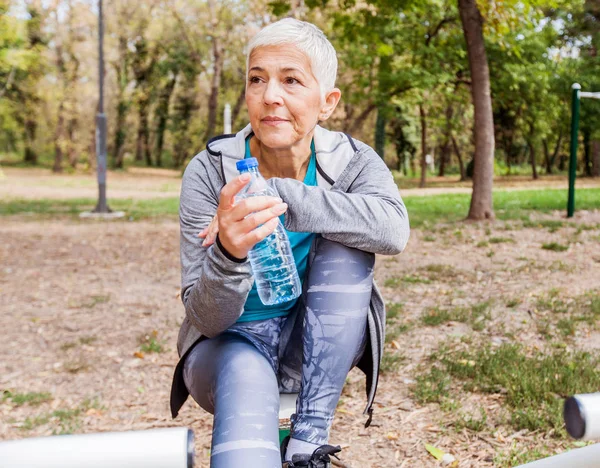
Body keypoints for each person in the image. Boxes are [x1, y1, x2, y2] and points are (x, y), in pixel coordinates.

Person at [169, 18, 410, 468]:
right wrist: (228, 252)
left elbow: (393, 230)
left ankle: (308, 441)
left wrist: (279, 195)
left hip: (317, 346)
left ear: (327, 102)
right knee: (245, 375)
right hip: (229, 347)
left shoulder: (354, 162)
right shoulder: (208, 171)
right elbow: (204, 315)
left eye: (291, 81)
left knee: (350, 236)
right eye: (256, 80)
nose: (269, 96)